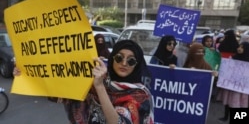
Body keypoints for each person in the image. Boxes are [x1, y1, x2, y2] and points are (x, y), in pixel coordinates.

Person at [13, 40, 154, 124]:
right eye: (119, 57)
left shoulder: (140, 95)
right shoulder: (97, 79)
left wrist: (99, 87)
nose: (124, 63)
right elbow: (61, 94)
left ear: (137, 64)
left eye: (131, 60)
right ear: (112, 59)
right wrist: (27, 74)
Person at [217, 42, 249, 122]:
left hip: (242, 87)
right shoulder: (232, 58)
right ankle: (226, 117)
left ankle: (239, 118)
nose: (239, 48)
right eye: (239, 46)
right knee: (229, 102)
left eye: (242, 47)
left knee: (241, 103)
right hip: (231, 85)